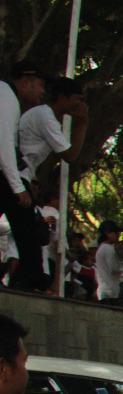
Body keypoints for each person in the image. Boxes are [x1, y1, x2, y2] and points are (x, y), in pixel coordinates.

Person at [1, 60, 50, 293]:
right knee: (25, 221)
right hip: (3, 173)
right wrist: (17, 186)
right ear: (24, 82)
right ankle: (31, 278)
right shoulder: (7, 98)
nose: (42, 92)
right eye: (39, 85)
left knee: (24, 223)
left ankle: (29, 277)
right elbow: (4, 144)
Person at [18, 77, 87, 189]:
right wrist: (82, 123)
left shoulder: (45, 115)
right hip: (16, 175)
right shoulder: (45, 116)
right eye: (78, 99)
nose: (80, 104)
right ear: (62, 98)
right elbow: (70, 156)